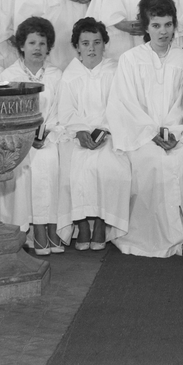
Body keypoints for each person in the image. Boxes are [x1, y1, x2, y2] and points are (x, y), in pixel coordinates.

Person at [106, 0, 183, 258]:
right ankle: (150, 237)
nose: (163, 31)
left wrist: (172, 132)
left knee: (180, 161)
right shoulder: (130, 59)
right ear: (145, 27)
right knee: (154, 163)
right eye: (156, 25)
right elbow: (125, 104)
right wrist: (152, 134)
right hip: (141, 137)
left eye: (168, 25)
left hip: (177, 133)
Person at [56, 18, 130, 252]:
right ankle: (81, 224)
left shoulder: (114, 70)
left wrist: (105, 130)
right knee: (76, 167)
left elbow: (120, 105)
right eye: (85, 43)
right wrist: (79, 132)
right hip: (77, 135)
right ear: (77, 46)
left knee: (109, 166)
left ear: (104, 44)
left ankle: (100, 223)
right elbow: (65, 112)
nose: (91, 48)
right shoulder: (70, 75)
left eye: (96, 42)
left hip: (109, 133)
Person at [0, 18, 67, 255]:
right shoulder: (9, 76)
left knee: (50, 159)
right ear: (22, 46)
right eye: (32, 42)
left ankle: (51, 227)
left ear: (49, 47)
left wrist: (48, 134)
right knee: (32, 163)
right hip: (17, 141)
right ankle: (35, 229)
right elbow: (3, 116)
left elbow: (60, 111)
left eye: (43, 43)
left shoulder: (57, 75)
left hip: (49, 137)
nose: (37, 48)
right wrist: (27, 138)